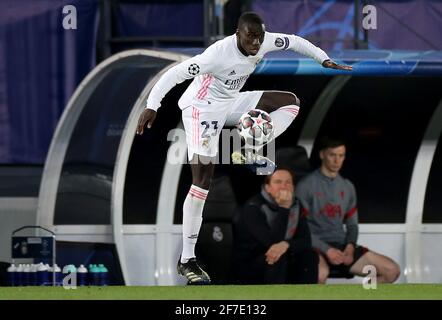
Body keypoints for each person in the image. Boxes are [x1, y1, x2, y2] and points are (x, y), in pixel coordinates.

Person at [136, 12, 352, 285]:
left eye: (259, 37)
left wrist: (323, 59)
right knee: (203, 180)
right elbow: (175, 73)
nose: (256, 43)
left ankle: (251, 146)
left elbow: (296, 41)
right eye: (250, 37)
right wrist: (152, 105)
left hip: (230, 102)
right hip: (200, 110)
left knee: (290, 102)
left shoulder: (265, 41)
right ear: (238, 34)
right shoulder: (217, 54)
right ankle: (187, 260)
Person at [295, 136, 401, 284]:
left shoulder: (347, 187)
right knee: (320, 274)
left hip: (342, 246)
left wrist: (350, 247)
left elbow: (352, 225)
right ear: (322, 155)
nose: (337, 160)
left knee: (391, 271)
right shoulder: (305, 186)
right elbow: (299, 228)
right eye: (332, 155)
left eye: (341, 156)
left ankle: (360, 296)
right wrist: (327, 250)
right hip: (315, 246)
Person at [233, 168, 318, 284]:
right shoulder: (253, 207)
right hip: (254, 261)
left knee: (310, 255)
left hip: (283, 255)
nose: (284, 186)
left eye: (288, 182)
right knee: (277, 256)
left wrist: (286, 244)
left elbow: (306, 241)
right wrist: (283, 208)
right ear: (267, 188)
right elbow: (272, 243)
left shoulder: (296, 205)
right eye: (278, 182)